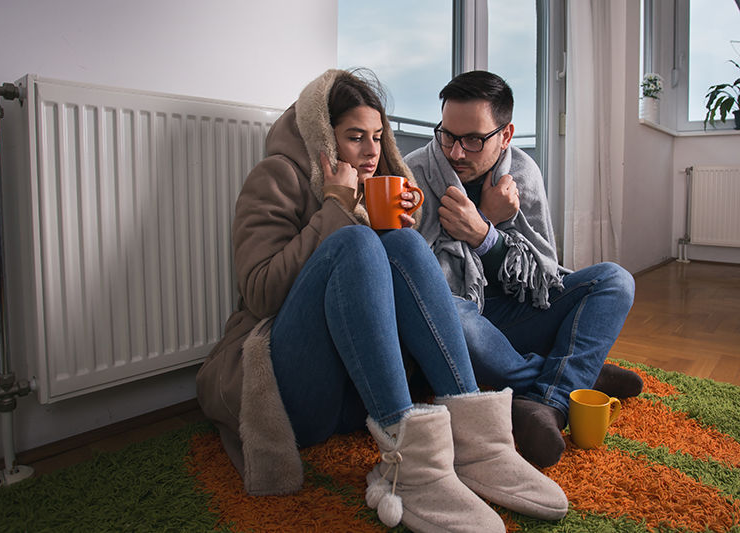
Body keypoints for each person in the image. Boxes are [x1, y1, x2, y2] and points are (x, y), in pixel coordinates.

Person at [196, 69, 569, 532]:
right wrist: (334, 209)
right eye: (355, 138)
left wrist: (390, 232)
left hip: (355, 395)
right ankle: (410, 470)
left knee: (406, 246)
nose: (372, 152)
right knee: (356, 245)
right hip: (290, 390)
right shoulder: (277, 176)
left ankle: (479, 446)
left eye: (377, 137)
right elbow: (259, 292)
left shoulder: (383, 181)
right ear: (323, 139)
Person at [405, 70, 643, 469]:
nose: (456, 152)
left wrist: (484, 234)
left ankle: (548, 399)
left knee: (615, 281)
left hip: (516, 315)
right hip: (460, 320)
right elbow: (417, 281)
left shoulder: (523, 174)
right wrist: (485, 218)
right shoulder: (415, 173)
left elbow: (542, 280)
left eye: (474, 140)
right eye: (446, 134)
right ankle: (571, 378)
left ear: (506, 135)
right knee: (449, 312)